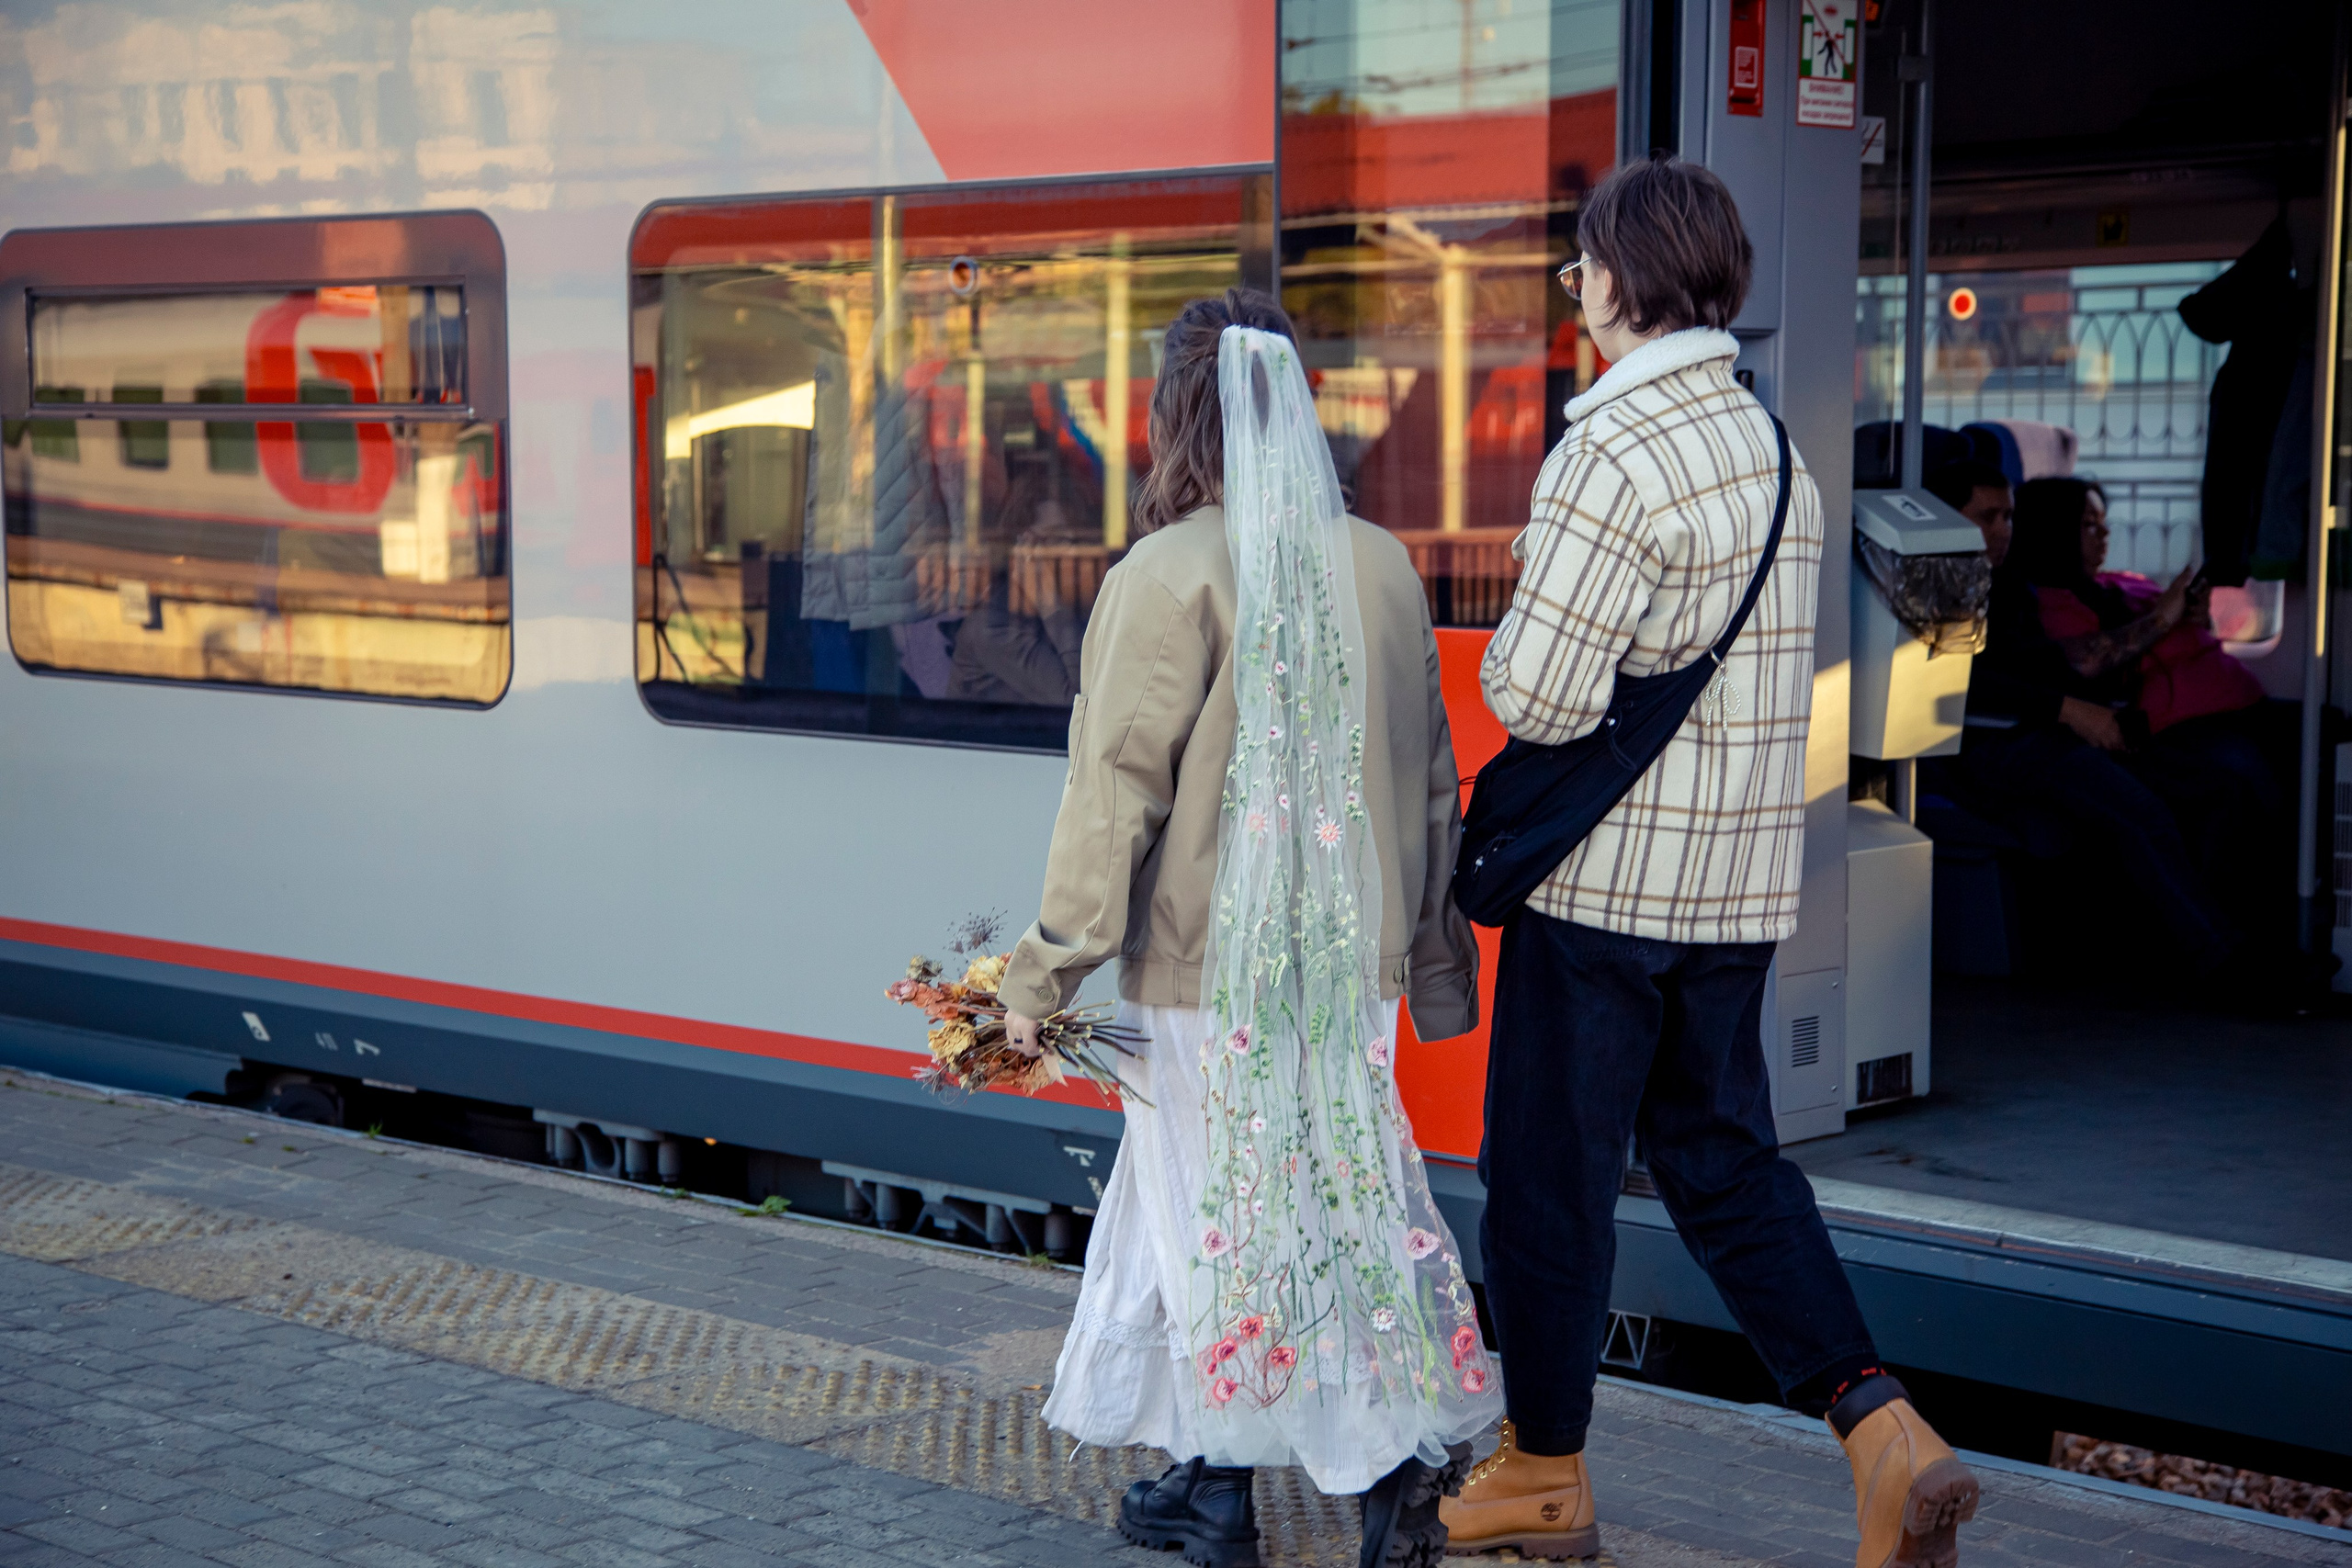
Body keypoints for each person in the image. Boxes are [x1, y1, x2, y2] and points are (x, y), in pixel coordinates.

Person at [1448, 152, 1979, 1568]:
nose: (1577, 299)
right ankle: (1880, 1428)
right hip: (1734, 895)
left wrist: (1515, 625)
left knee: (1551, 1185)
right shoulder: (1773, 451)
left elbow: (1539, 699)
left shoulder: (1611, 451)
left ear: (1618, 282)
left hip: (1602, 897)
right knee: (1728, 1167)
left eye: (1579, 274)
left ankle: (1543, 1476)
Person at [998, 288, 1500, 1568]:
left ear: (1177, 419)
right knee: (1325, 1205)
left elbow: (1115, 790)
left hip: (1199, 980)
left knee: (1210, 1215)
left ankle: (1310, 1481)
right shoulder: (1382, 567)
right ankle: (1245, 1476)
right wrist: (1434, 968)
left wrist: (1043, 970)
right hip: (1346, 982)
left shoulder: (1165, 574)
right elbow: (1430, 782)